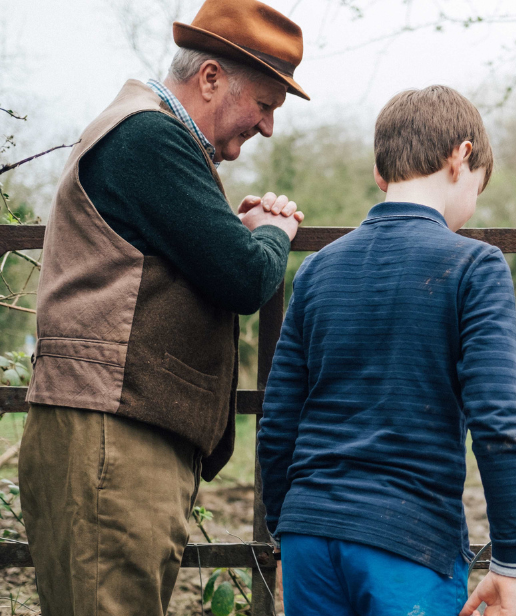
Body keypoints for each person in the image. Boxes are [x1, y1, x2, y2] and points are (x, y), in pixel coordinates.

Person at [18, 1, 308, 615]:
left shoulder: (146, 138)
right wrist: (272, 230)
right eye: (265, 103)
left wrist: (239, 231)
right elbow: (246, 275)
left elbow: (191, 256)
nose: (267, 127)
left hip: (115, 434)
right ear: (209, 78)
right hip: (114, 441)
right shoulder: (150, 139)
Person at [257, 85, 516, 616]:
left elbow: (277, 419)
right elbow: (497, 421)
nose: (473, 209)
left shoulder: (316, 269)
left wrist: (283, 525)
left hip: (308, 533)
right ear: (462, 156)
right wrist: (511, 562)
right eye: (479, 186)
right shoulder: (476, 266)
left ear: (382, 175)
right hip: (408, 539)